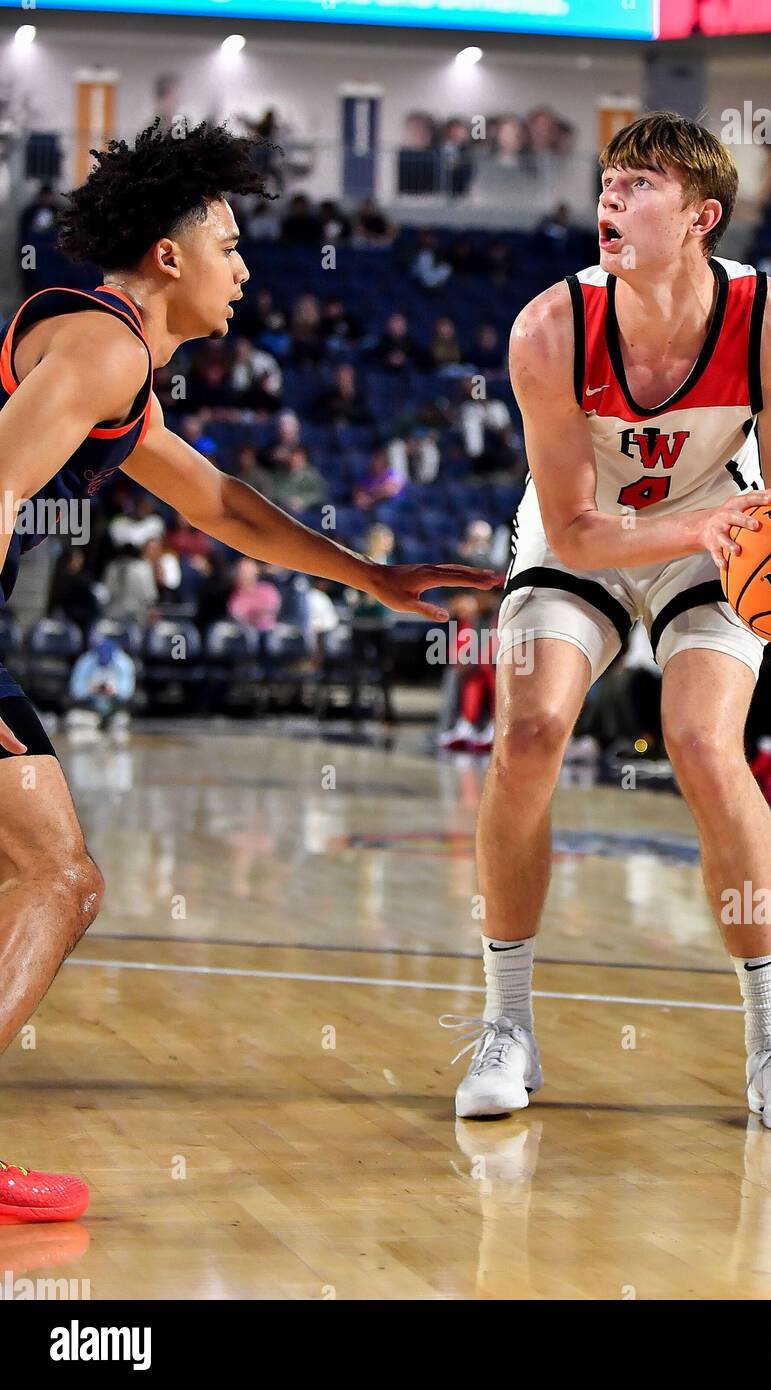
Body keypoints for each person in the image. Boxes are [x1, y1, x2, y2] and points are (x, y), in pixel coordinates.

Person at [0, 118, 495, 1221]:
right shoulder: (105, 348)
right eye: (227, 245)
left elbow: (219, 502)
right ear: (169, 258)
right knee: (59, 878)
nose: (245, 268)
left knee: (60, 877)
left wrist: (369, 575)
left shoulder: (115, 366)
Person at [443, 112, 771, 1132]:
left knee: (699, 739)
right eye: (609, 181)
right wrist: (704, 520)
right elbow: (577, 529)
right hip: (586, 533)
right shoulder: (549, 328)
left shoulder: (768, 317)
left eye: (640, 184)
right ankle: (507, 1023)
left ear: (702, 216)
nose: (611, 197)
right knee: (527, 734)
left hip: (719, 534)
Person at [65, 636, 136, 744]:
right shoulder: (86, 661)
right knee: (74, 721)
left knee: (121, 727)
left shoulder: (124, 663)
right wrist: (91, 690)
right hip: (90, 708)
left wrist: (114, 691)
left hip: (114, 709)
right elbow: (76, 692)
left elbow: (127, 693)